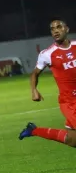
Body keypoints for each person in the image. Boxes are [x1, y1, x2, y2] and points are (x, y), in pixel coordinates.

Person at [19, 18, 76, 147]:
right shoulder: (47, 54)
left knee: (72, 140)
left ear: (67, 29)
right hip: (70, 102)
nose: (55, 31)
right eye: (52, 29)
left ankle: (33, 130)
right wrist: (34, 90)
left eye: (59, 27)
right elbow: (35, 73)